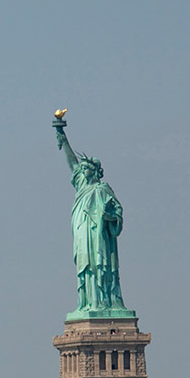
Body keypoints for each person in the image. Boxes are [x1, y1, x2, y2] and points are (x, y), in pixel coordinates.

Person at [56, 123, 127, 312]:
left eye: (86, 168)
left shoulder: (103, 189)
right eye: (83, 168)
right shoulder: (81, 185)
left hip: (98, 234)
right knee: (85, 266)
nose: (82, 171)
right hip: (82, 229)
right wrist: (63, 137)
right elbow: (72, 163)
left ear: (94, 170)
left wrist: (110, 217)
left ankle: (104, 301)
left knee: (99, 264)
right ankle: (88, 301)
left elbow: (118, 212)